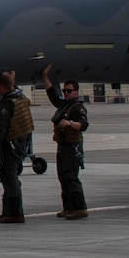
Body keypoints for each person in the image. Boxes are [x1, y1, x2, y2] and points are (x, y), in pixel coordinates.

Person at [38, 65, 90, 219]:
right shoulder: (64, 105)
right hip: (62, 145)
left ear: (76, 92)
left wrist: (70, 124)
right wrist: (45, 76)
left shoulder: (77, 107)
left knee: (71, 177)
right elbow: (53, 96)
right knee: (62, 176)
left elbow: (84, 124)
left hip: (72, 146)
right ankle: (68, 207)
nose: (66, 93)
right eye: (65, 90)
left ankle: (79, 208)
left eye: (69, 91)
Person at [0, 69, 34, 224]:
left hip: (10, 144)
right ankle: (8, 211)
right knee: (9, 177)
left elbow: (0, 129)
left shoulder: (8, 104)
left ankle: (15, 213)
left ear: (1, 87)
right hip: (20, 144)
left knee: (9, 178)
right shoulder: (21, 98)